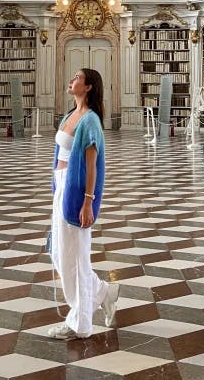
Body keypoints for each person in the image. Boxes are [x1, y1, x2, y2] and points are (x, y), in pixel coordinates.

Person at [47, 68, 119, 339]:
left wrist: (88, 202)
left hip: (77, 191)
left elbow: (92, 167)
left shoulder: (89, 121)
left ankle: (80, 324)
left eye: (76, 77)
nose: (71, 80)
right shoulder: (69, 115)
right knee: (60, 252)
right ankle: (104, 291)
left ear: (88, 87)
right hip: (63, 187)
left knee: (75, 257)